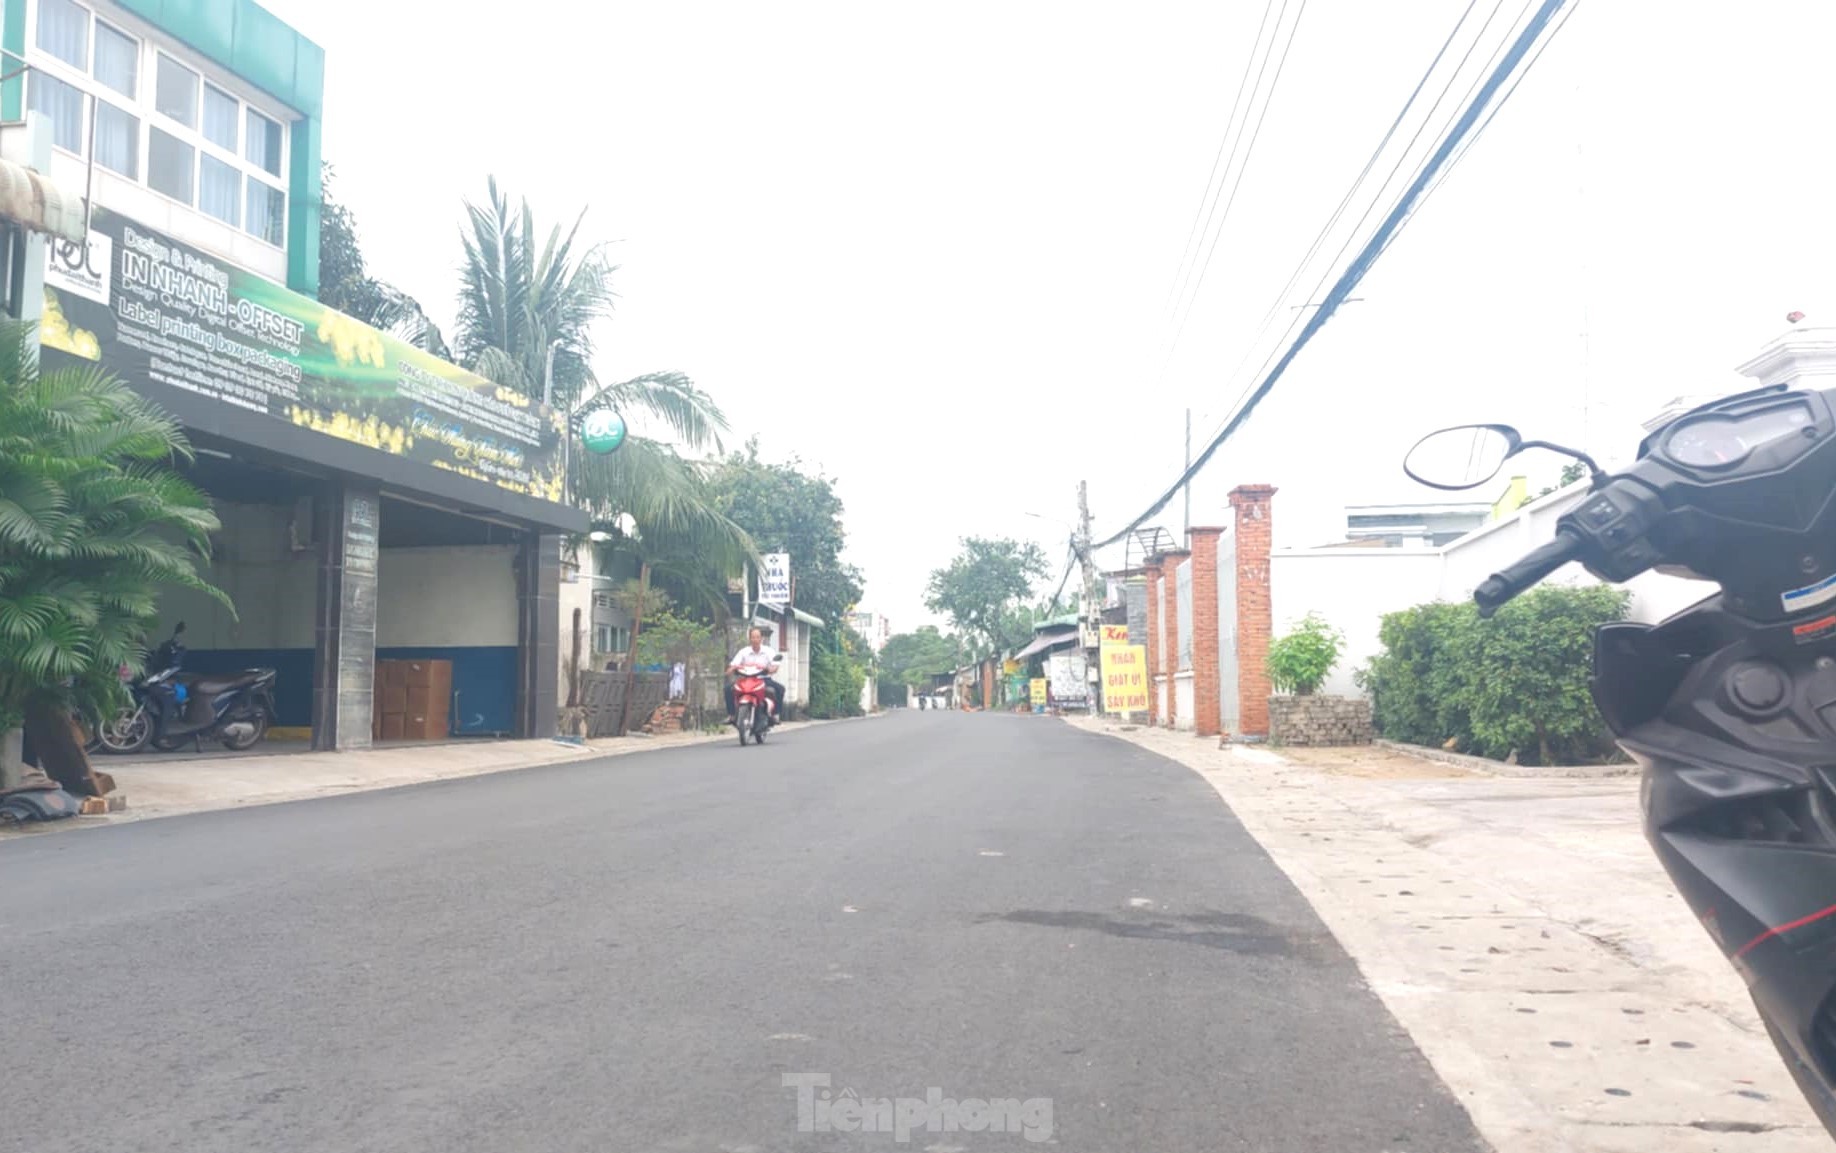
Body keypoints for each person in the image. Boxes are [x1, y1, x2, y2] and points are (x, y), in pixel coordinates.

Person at [725, 626, 785, 725]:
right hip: (746, 680)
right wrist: (731, 669)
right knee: (727, 689)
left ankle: (775, 715)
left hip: (764, 679)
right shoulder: (743, 652)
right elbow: (733, 664)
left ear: (761, 639)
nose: (755, 640)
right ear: (750, 639)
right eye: (753, 637)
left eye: (757, 637)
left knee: (780, 689)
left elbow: (775, 667)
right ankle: (731, 715)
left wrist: (770, 669)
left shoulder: (768, 651)